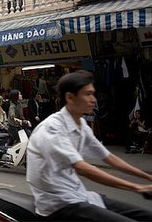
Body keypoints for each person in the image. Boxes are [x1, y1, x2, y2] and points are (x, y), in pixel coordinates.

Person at [26, 70, 152, 221]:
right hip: (59, 205)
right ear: (70, 97)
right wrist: (136, 187)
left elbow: (108, 157)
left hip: (81, 196)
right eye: (87, 94)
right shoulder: (52, 128)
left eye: (93, 94)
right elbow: (82, 168)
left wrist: (147, 177)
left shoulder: (81, 125)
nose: (93, 100)